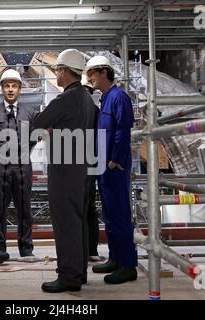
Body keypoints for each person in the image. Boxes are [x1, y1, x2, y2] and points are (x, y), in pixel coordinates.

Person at [33, 49, 97, 293]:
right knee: (78, 220)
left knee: (65, 223)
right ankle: (78, 272)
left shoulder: (65, 99)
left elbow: (38, 123)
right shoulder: (86, 98)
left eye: (57, 70)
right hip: (80, 167)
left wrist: (49, 126)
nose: (56, 75)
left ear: (63, 71)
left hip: (64, 168)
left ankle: (68, 276)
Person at [85, 56, 138, 284]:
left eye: (92, 74)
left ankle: (128, 265)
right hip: (104, 167)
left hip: (115, 166)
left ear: (104, 72)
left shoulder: (118, 97)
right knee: (110, 215)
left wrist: (115, 159)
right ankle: (116, 258)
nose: (90, 78)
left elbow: (123, 130)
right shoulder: (105, 98)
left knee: (120, 215)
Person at [0, 69, 38, 260]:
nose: (10, 90)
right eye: (6, 86)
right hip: (0, 167)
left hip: (23, 166)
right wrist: (0, 154)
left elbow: (33, 139)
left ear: (20, 89)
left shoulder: (30, 113)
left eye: (14, 86)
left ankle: (26, 249)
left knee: (25, 208)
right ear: (1, 89)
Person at [81, 74, 102, 262]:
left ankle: (87, 250)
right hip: (90, 163)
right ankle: (90, 251)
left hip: (84, 164)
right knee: (89, 208)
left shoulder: (89, 111)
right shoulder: (94, 110)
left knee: (84, 207)